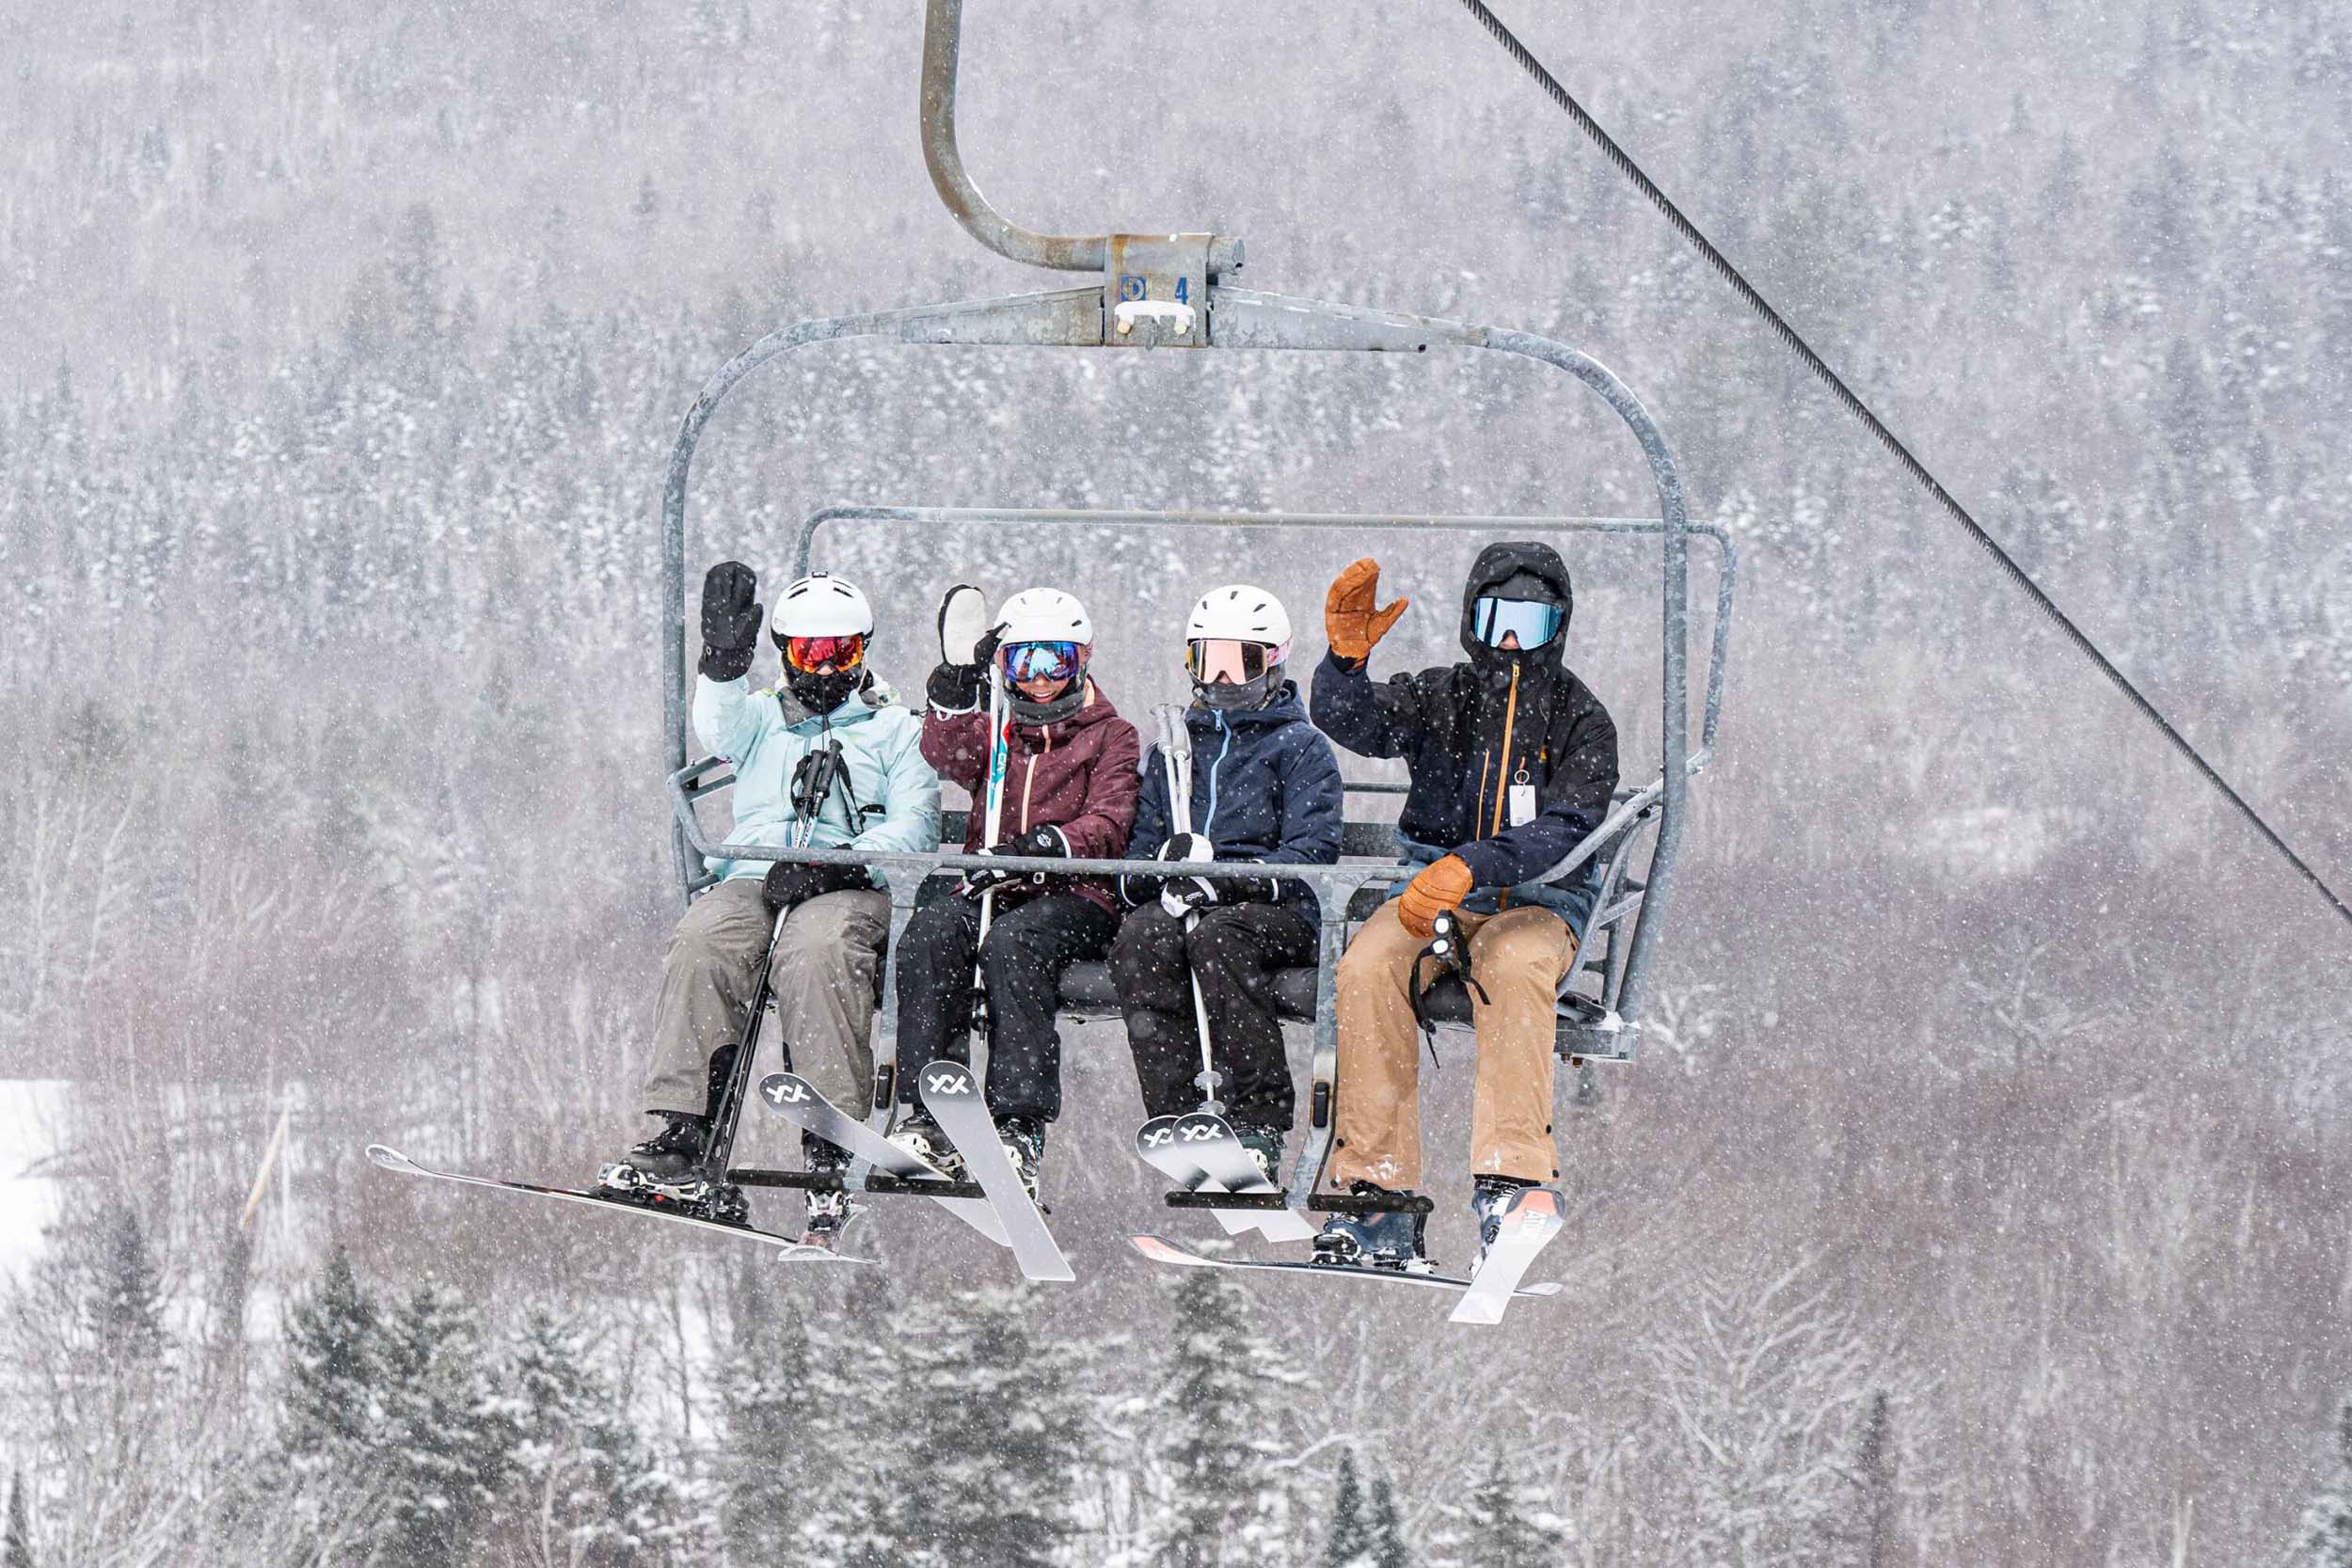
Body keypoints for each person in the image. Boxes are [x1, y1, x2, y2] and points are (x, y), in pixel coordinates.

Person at [605, 563, 940, 1242]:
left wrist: (837, 860)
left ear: (863, 650)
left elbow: (916, 824)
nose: (825, 668)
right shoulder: (760, 718)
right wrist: (722, 666)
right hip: (756, 874)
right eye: (809, 652)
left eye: (840, 651)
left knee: (815, 950)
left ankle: (829, 1139)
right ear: (785, 652)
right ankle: (686, 1129)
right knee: (706, 936)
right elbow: (717, 728)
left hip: (846, 883)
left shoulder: (897, 728)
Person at [1308, 546, 1619, 1271]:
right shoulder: (1443, 695)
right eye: (1496, 618)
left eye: (1530, 621)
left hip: (1536, 903)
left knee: (1513, 968)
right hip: (1430, 898)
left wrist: (1471, 863)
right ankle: (1375, 1195)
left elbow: (1566, 827)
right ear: (1472, 620)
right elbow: (1354, 722)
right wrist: (1343, 665)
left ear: (1557, 625)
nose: (1511, 638)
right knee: (1367, 967)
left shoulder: (1581, 721)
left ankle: (1512, 1183)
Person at [886, 585, 1140, 1197]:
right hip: (992, 886)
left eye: (1057, 661)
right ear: (1005, 668)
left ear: (1082, 660)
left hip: (1077, 896)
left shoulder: (1111, 735)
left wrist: (1051, 846)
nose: (1043, 679)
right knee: (931, 931)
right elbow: (942, 749)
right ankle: (931, 1112)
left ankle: (1017, 1123)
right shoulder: (998, 732)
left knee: (1013, 944)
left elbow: (1111, 822)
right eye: (1025, 664)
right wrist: (953, 687)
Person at [1108, 585, 1343, 1183]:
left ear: (1274, 663)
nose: (1222, 677)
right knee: (1142, 936)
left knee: (1220, 937)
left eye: (1242, 661)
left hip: (1279, 914)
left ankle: (1256, 1118)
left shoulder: (1299, 747)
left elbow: (1311, 855)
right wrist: (1165, 872)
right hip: (1196, 900)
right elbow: (1136, 861)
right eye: (1205, 660)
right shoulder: (1175, 751)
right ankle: (1179, 1113)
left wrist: (1228, 881)